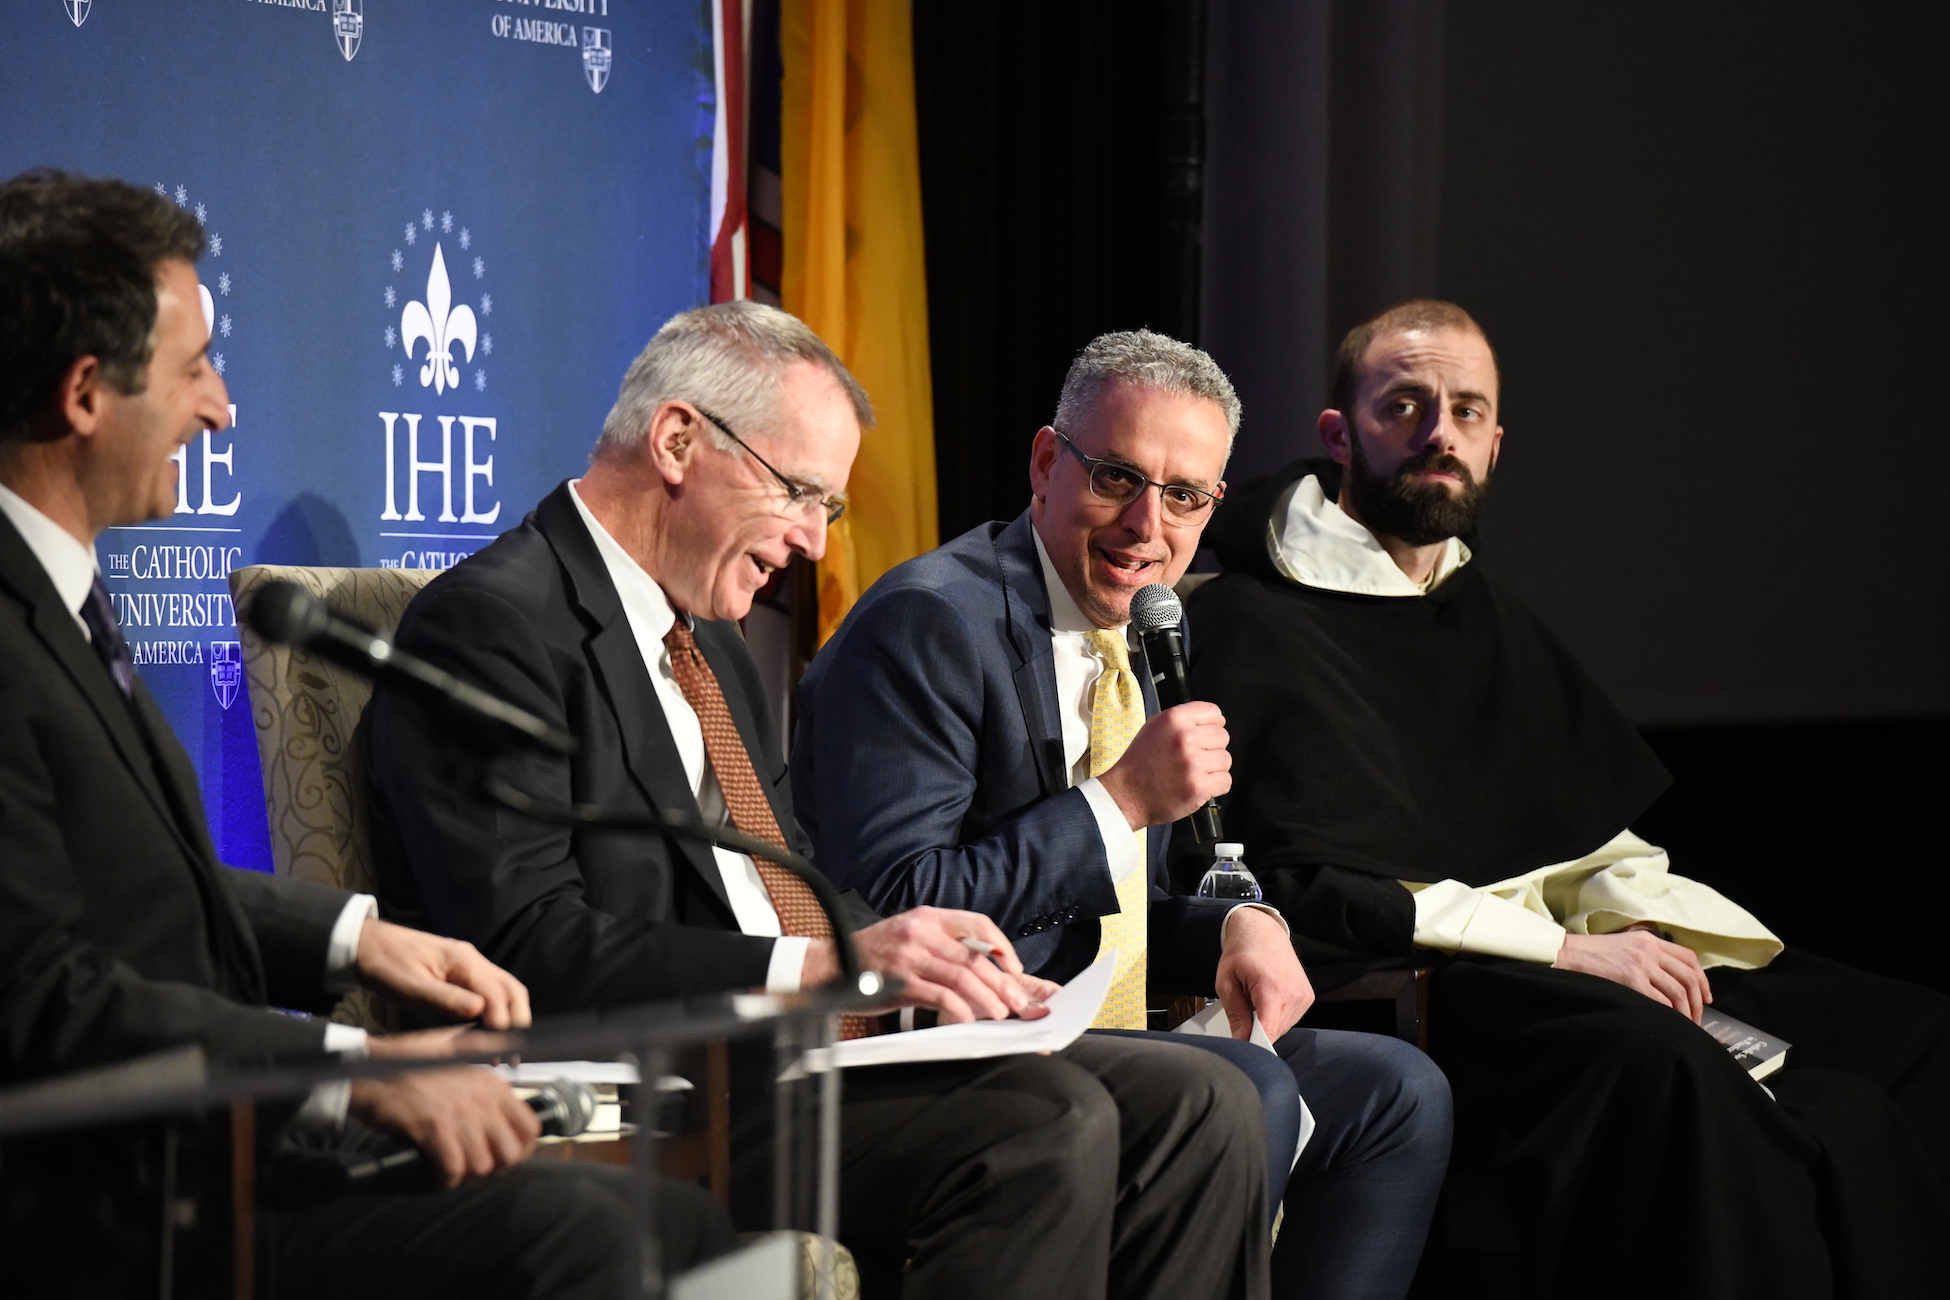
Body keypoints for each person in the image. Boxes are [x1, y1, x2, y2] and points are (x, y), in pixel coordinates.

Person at [363, 300, 1272, 1300]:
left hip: (798, 1060)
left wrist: (926, 955)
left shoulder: (708, 634)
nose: (810, 541)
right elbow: (521, 946)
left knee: (1208, 1101)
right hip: (658, 1093)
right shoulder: (494, 626)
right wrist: (823, 966)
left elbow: (782, 877)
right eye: (799, 492)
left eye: (827, 509)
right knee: (1050, 1124)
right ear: (677, 441)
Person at [0, 171, 727, 1299]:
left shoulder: (53, 598)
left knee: (681, 1223)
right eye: (195, 368)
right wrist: (357, 1067)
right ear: (86, 391)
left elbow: (124, 883)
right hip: (111, 1211)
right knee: (596, 1238)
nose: (222, 407)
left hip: (203, 1147)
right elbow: (39, 995)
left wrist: (355, 936)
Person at [1185, 297, 1950, 1300]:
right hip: (1431, 979)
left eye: (1466, 412)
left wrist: (1644, 921)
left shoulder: (1481, 612)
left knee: (1910, 1031)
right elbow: (1313, 879)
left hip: (1568, 950)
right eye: (1404, 405)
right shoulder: (1253, 618)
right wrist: (1576, 948)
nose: (1438, 434)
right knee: (1670, 1074)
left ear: (1496, 444)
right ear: (1339, 433)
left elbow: (1568, 827)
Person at [792, 329, 1452, 1300]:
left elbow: (1112, 903)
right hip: (943, 1052)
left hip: (1099, 1026)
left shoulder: (1141, 630)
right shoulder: (930, 623)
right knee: (1243, 1088)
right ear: (1048, 463)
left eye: (1184, 496)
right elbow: (903, 897)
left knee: (1398, 1092)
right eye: (1116, 478)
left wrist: (1231, 922)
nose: (1148, 525)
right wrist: (1123, 799)